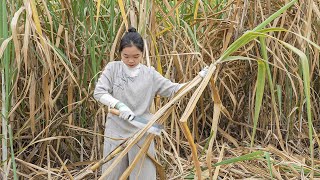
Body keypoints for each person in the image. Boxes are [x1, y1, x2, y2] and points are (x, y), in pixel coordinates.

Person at [93, 27, 208, 179]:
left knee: (143, 176)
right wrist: (119, 106)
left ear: (142, 53)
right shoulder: (113, 69)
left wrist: (198, 79)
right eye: (125, 56)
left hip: (142, 130)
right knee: (111, 175)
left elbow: (174, 90)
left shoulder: (150, 74)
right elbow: (99, 92)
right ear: (120, 53)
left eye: (136, 56)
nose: (131, 60)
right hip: (116, 132)